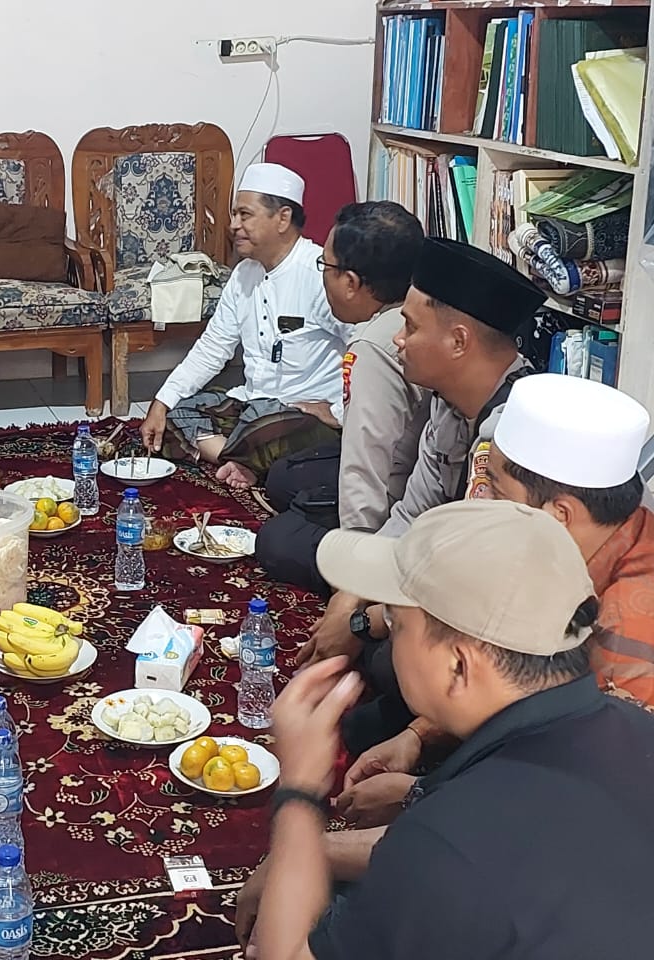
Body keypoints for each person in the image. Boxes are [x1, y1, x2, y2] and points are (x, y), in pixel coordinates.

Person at [243, 499, 654, 960]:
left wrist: (300, 791)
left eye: (397, 622)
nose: (391, 638)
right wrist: (416, 794)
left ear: (459, 666)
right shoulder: (637, 729)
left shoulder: (451, 839)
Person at [332, 372, 654, 829]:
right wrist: (417, 736)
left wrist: (418, 802)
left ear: (559, 514)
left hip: (592, 812)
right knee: (372, 721)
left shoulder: (630, 631)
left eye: (497, 492)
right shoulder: (571, 544)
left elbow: (574, 811)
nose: (483, 503)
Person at [300, 240, 545, 747]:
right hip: (437, 582)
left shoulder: (515, 441)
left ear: (458, 341)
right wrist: (351, 593)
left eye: (410, 327)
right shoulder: (450, 401)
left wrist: (365, 622)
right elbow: (413, 512)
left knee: (392, 659)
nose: (397, 340)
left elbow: (471, 585)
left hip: (494, 626)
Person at [138, 162, 352, 489]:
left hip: (299, 415)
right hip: (252, 404)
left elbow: (364, 350)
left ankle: (240, 456)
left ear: (282, 218)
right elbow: (212, 348)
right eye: (234, 215)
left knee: (267, 426)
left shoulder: (319, 274)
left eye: (244, 215)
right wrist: (161, 402)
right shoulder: (243, 274)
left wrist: (336, 411)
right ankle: (244, 462)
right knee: (178, 412)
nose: (233, 225)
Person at [255, 201, 427, 592]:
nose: (323, 277)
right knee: (284, 476)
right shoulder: (416, 312)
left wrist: (356, 563)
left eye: (326, 266)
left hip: (400, 492)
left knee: (277, 540)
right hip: (410, 464)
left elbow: (367, 462)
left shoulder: (374, 346)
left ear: (351, 282)